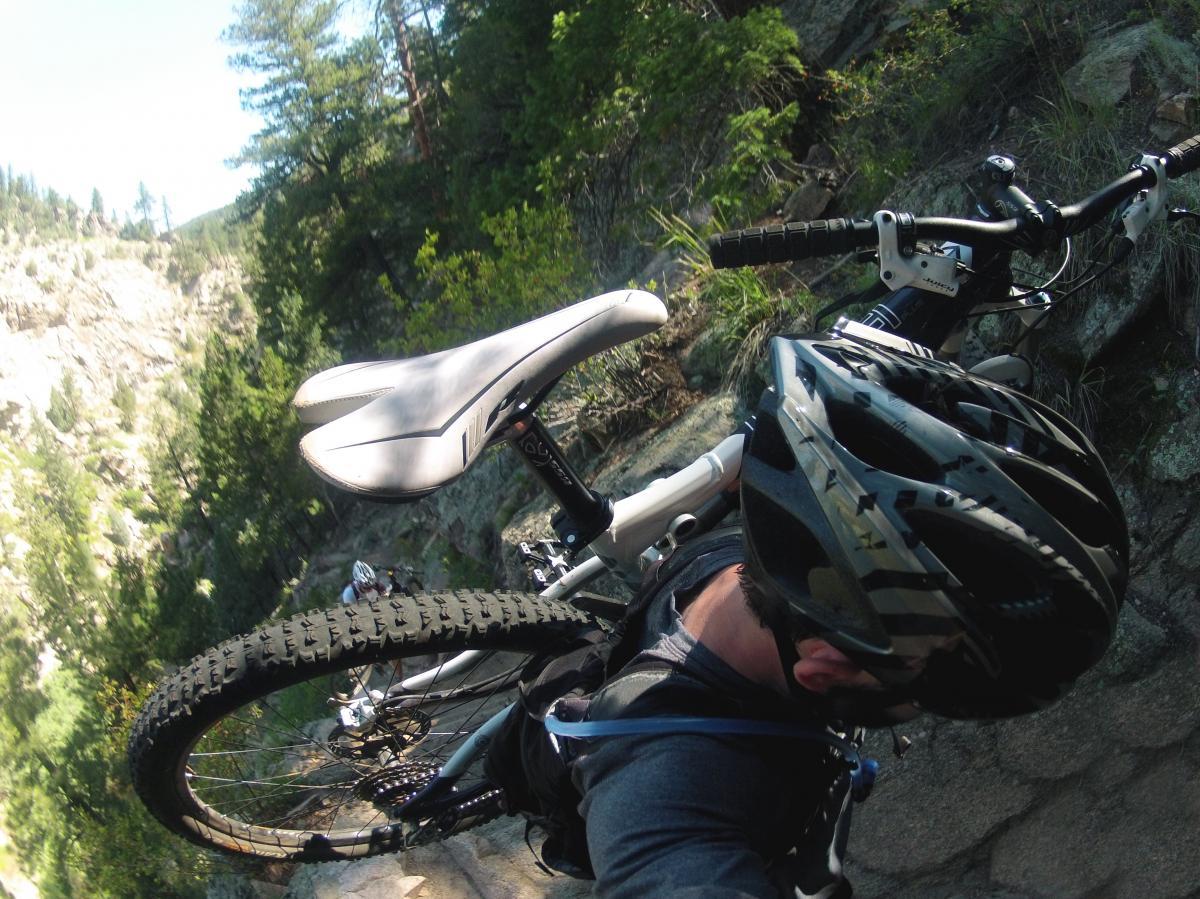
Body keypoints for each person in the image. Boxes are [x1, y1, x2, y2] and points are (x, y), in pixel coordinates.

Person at [561, 332, 1129, 898]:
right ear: (825, 672)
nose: (921, 701)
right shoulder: (665, 799)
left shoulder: (802, 558)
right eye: (930, 678)